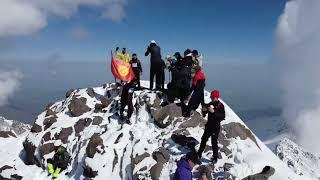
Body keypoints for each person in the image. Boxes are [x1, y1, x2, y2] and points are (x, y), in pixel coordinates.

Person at [197, 90, 225, 164]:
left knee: (214, 142)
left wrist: (214, 112)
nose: (211, 98)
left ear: (217, 97)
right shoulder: (210, 104)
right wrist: (204, 110)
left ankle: (215, 158)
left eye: (213, 97)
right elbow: (204, 113)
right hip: (209, 126)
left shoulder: (220, 105)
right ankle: (199, 154)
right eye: (211, 97)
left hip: (215, 127)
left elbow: (222, 116)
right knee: (203, 139)